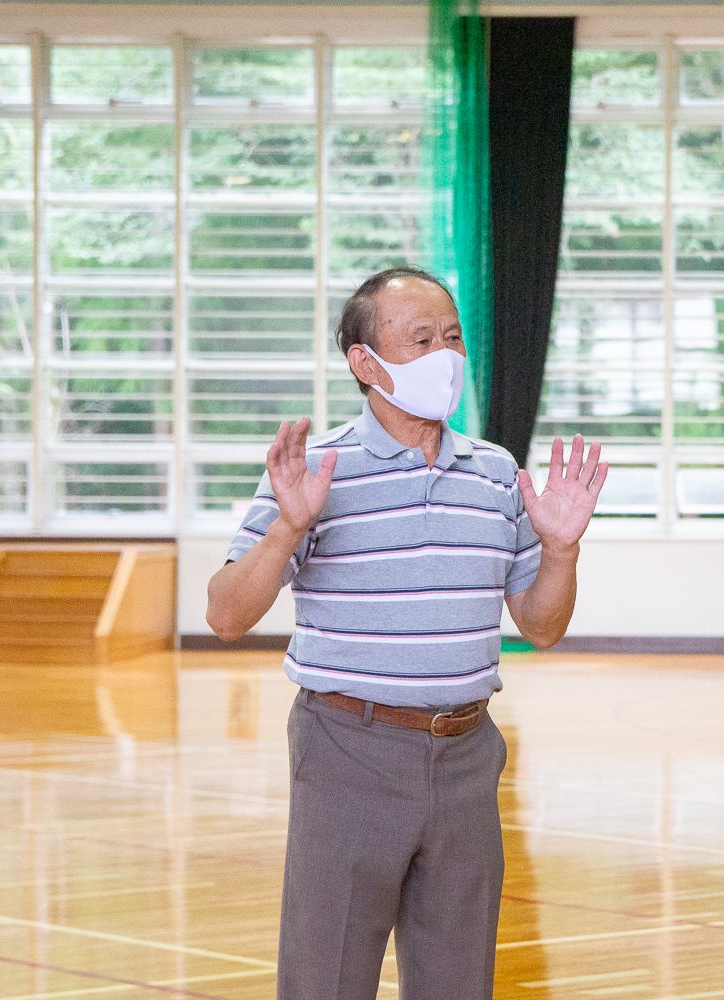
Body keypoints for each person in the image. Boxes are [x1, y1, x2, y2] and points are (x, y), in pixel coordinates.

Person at [206, 266, 607, 1000]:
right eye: (420, 340)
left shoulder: (495, 473)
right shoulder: (315, 471)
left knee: (459, 981)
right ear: (366, 363)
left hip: (466, 755)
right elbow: (226, 615)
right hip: (347, 751)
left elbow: (542, 627)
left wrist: (562, 549)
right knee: (327, 977)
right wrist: (288, 526)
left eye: (452, 337)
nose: (445, 357)